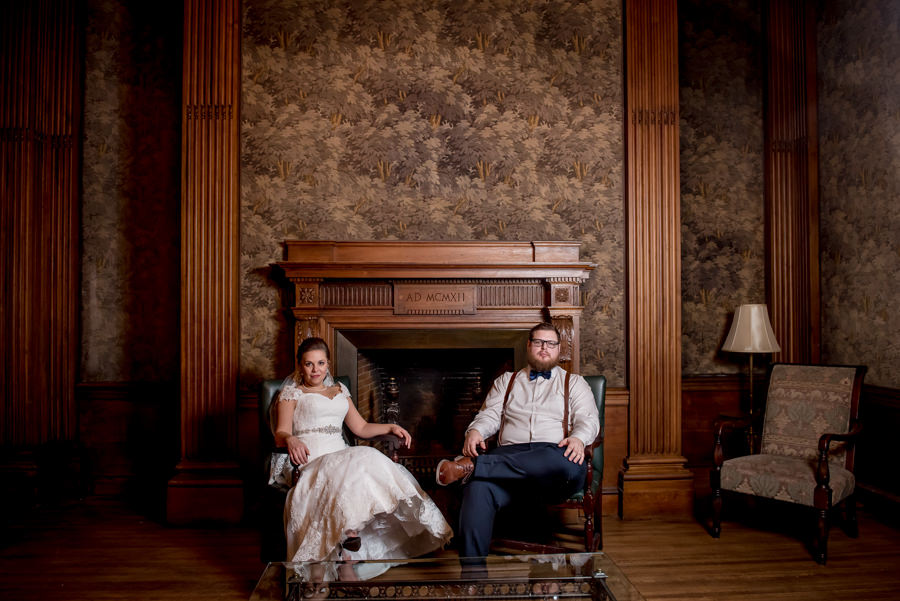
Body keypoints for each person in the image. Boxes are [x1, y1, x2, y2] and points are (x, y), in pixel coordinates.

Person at [274, 337, 452, 564]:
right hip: (312, 458)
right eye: (309, 364)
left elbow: (361, 427)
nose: (315, 369)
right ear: (300, 365)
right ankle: (349, 537)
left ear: (328, 364)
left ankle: (351, 539)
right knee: (351, 464)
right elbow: (280, 432)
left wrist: (390, 427)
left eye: (320, 363)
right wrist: (291, 439)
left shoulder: (339, 390)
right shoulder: (292, 394)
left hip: (341, 454)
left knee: (367, 456)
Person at [434, 322, 600, 558]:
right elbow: (489, 415)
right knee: (478, 488)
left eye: (551, 343)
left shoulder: (574, 383)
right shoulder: (506, 381)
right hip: (509, 462)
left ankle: (473, 466)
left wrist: (578, 438)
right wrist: (476, 430)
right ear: (529, 346)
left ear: (558, 349)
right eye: (539, 342)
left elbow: (588, 420)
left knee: (560, 459)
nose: (545, 348)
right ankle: (473, 573)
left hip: (554, 465)